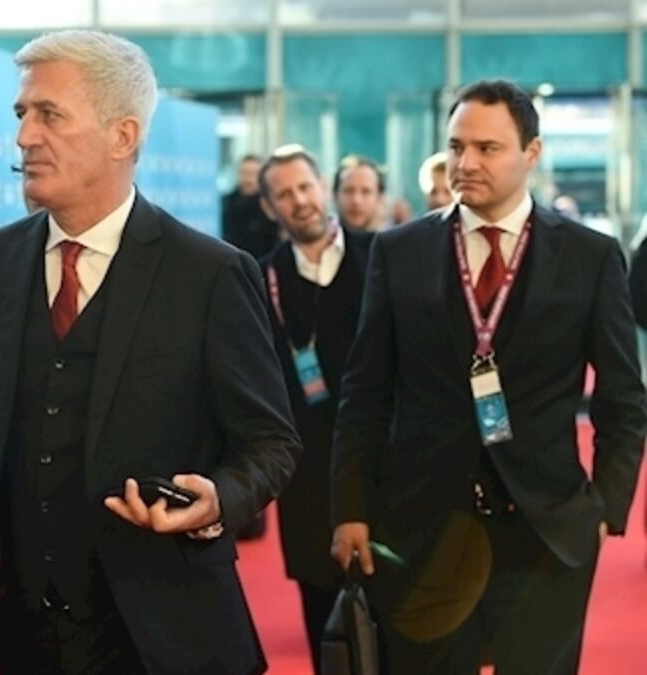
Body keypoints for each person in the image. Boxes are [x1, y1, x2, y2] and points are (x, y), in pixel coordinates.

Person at [0, 30, 301, 675]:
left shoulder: (209, 273)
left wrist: (217, 500)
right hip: (26, 632)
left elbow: (271, 442)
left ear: (122, 136)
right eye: (21, 114)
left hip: (166, 633)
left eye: (49, 115)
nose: (24, 137)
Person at [330, 79, 646, 674]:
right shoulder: (399, 252)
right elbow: (365, 392)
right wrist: (351, 506)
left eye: (487, 148)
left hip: (549, 529)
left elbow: (623, 397)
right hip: (424, 524)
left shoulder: (591, 256)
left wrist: (605, 507)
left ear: (532, 153)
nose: (465, 163)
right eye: (456, 146)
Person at [257, 147, 374, 672]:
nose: (299, 201)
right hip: (305, 478)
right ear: (269, 207)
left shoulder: (381, 257)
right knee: (327, 633)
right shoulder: (260, 278)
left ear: (323, 186)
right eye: (284, 194)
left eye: (305, 187)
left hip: (382, 467)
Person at [221, 153, 281, 258]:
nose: (248, 179)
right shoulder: (225, 203)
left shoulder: (270, 206)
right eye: (244, 173)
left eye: (253, 174)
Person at [333, 155, 386, 232]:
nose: (356, 201)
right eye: (349, 191)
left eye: (366, 192)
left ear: (379, 198)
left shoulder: (395, 239)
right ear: (335, 195)